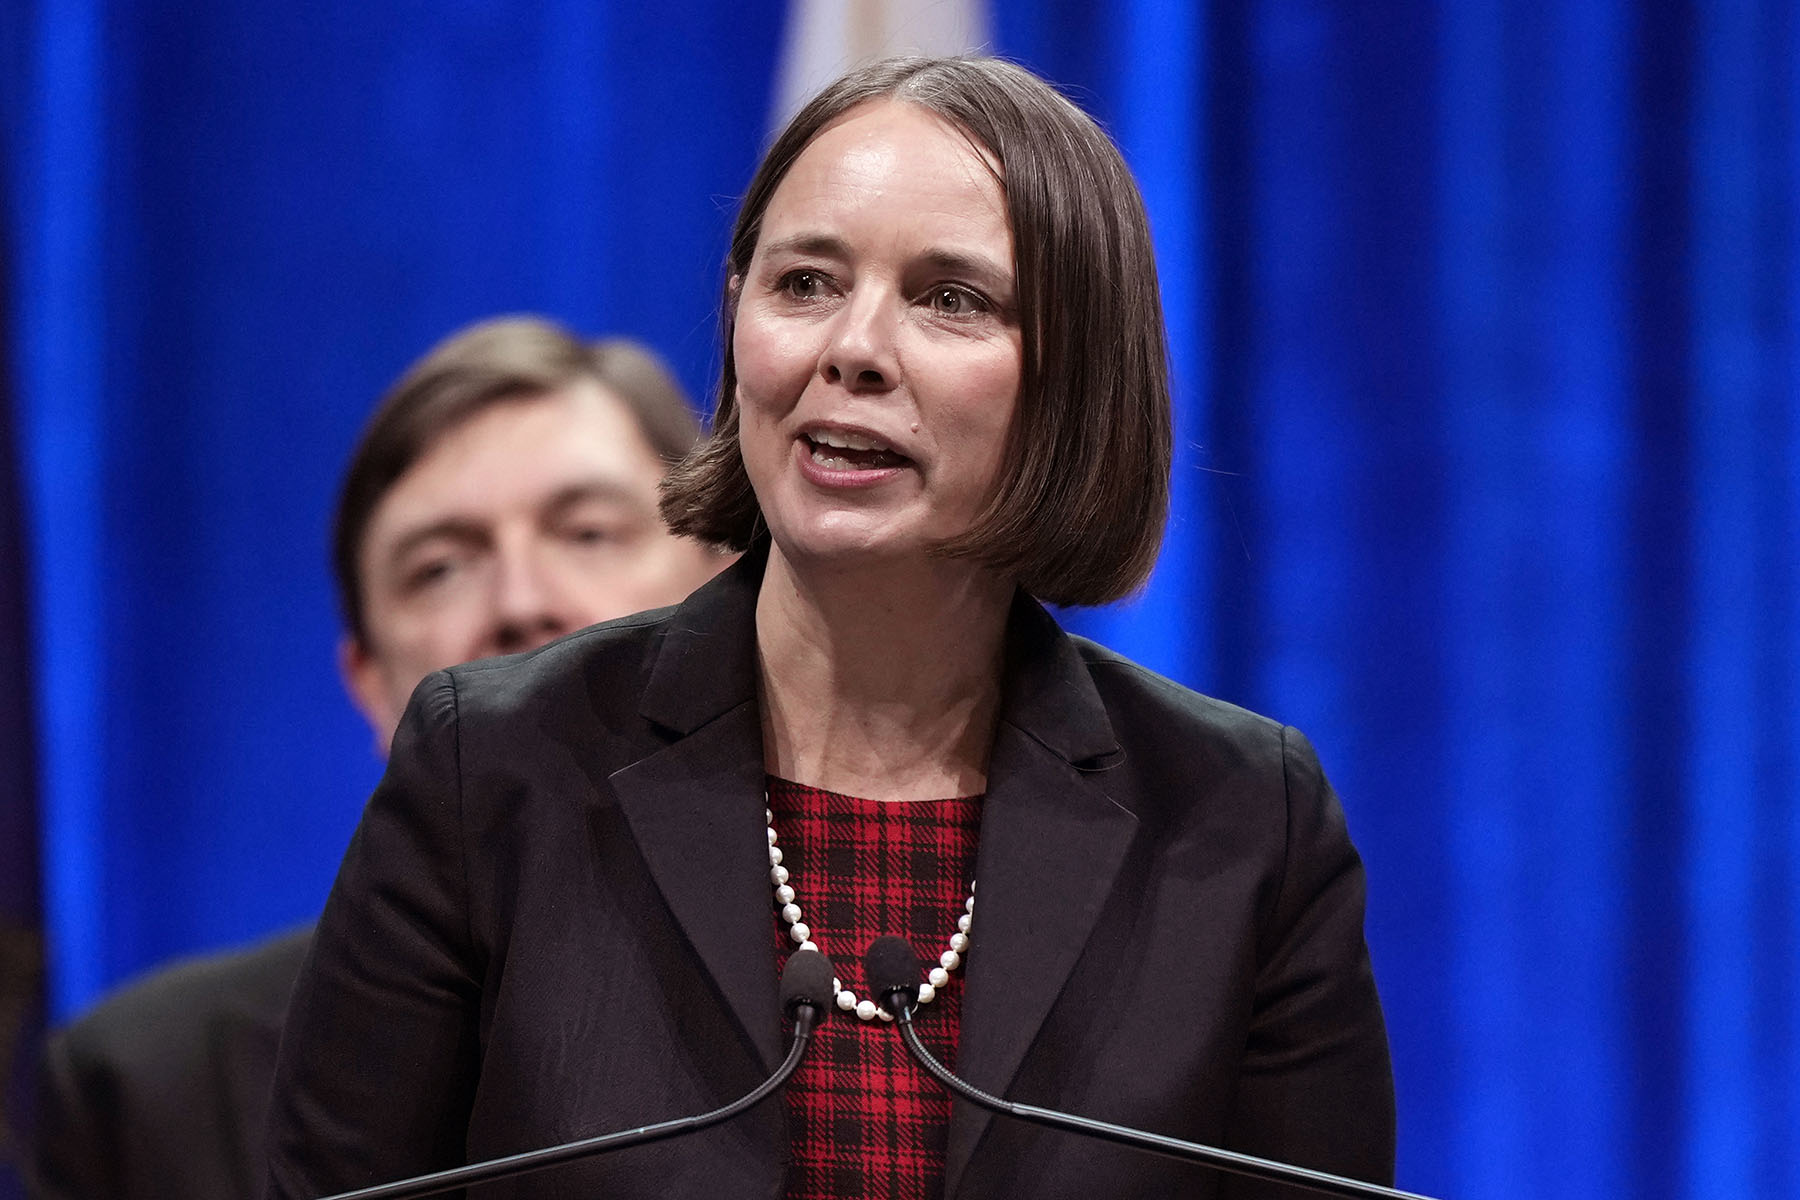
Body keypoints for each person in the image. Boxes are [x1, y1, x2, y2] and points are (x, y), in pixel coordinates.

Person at [265, 57, 1395, 1200]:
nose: (850, 349)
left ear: (1077, 381)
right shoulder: (492, 772)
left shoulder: (1243, 823)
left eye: (951, 298)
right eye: (804, 282)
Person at [30, 317, 724, 1200]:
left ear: (726, 593)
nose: (520, 602)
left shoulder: (862, 1007)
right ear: (367, 682)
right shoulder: (149, 1088)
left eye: (587, 532)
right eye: (439, 568)